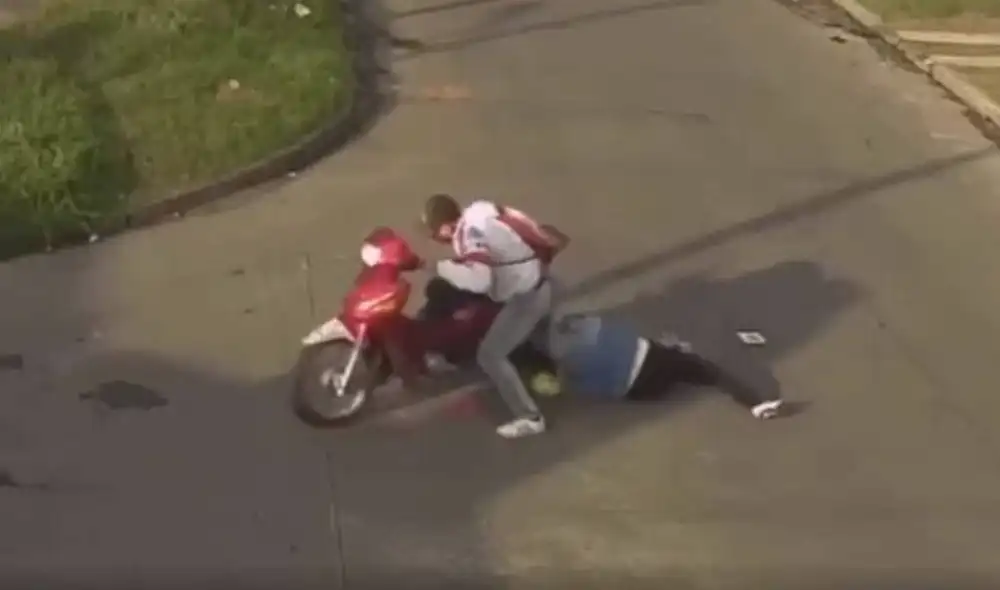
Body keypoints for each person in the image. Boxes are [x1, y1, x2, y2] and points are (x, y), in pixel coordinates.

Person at [421, 194, 569, 439]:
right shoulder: (480, 211)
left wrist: (440, 267)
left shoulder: (469, 235)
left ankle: (530, 418)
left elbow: (480, 281)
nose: (434, 237)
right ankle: (549, 370)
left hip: (526, 295)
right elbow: (522, 224)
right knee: (541, 338)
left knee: (490, 355)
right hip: (538, 279)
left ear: (446, 227)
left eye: (434, 231)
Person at [541, 313, 787, 418]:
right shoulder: (590, 325)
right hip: (653, 357)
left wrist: (563, 383)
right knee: (710, 373)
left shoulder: (569, 362)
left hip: (641, 388)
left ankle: (758, 405)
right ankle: (757, 404)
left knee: (687, 367)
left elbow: (597, 388)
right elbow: (627, 337)